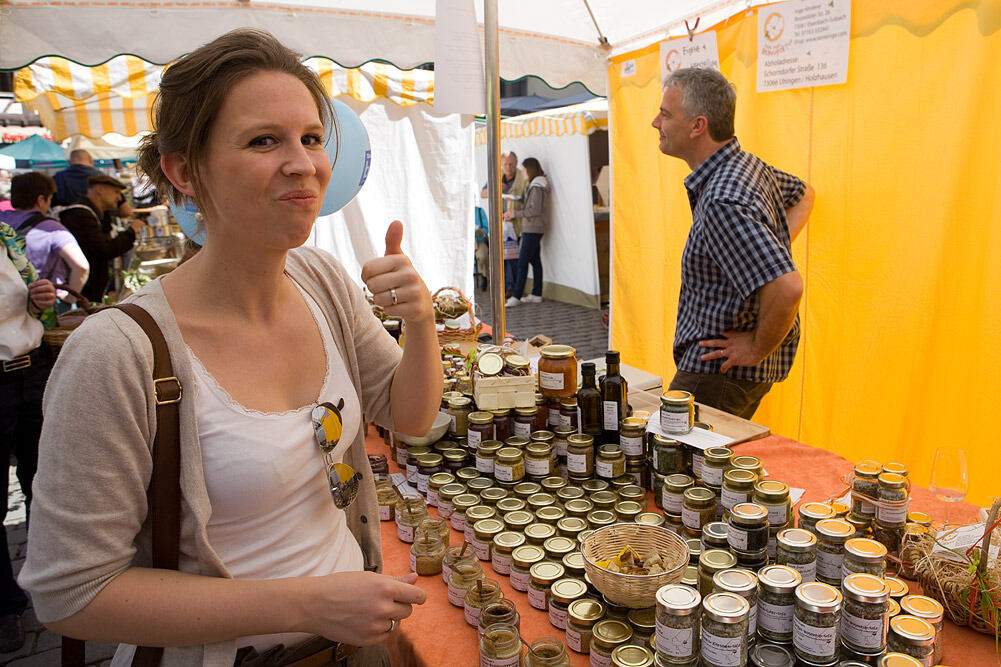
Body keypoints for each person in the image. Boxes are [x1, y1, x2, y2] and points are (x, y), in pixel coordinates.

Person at [18, 28, 441, 665]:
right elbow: (71, 592)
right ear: (185, 169)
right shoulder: (117, 353)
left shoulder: (322, 280)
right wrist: (306, 603)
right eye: (263, 140)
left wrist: (422, 324)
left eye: (311, 137)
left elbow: (410, 415)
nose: (304, 163)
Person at [652, 67, 815, 418]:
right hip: (729, 372)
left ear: (698, 126)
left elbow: (788, 288)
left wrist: (755, 348)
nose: (655, 122)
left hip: (717, 372)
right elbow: (804, 194)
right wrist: (775, 248)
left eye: (665, 114)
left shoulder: (723, 199)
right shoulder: (746, 165)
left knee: (679, 465)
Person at [0, 221, 57, 651]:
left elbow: (36, 310)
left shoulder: (4, 234)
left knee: (48, 482)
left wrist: (41, 300)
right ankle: (5, 605)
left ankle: (57, 573)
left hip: (32, 370)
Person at [0, 172, 89, 306]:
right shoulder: (51, 229)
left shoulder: (2, 221)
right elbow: (81, 266)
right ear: (41, 199)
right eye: (50, 198)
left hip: (5, 302)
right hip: (43, 303)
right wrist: (70, 298)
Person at [58, 173, 143, 302]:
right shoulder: (80, 215)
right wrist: (132, 230)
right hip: (82, 294)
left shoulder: (96, 214)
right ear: (99, 189)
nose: (119, 198)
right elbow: (104, 250)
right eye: (116, 192)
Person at [504, 157, 551, 307]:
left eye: (524, 170)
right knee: (535, 261)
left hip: (533, 228)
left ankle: (516, 296)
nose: (522, 173)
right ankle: (536, 294)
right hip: (534, 227)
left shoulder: (537, 186)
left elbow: (535, 210)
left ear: (529, 170)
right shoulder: (537, 185)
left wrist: (516, 214)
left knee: (522, 262)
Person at [481, 151, 527, 296]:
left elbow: (528, 198)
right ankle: (503, 287)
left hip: (516, 224)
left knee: (513, 258)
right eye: (506, 164)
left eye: (511, 164)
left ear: (516, 163)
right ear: (501, 164)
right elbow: (483, 193)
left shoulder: (522, 177)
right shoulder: (497, 175)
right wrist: (496, 188)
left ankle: (511, 288)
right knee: (502, 257)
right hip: (500, 224)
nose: (508, 167)